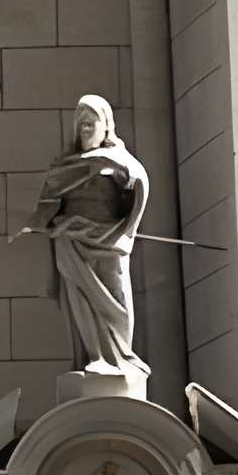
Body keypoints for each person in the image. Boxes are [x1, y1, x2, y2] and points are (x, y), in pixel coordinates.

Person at [28, 96, 149, 377]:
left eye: (90, 124)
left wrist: (118, 172)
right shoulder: (66, 165)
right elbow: (49, 201)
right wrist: (48, 218)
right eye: (80, 125)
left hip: (108, 240)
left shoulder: (120, 160)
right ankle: (94, 355)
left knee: (115, 297)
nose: (85, 130)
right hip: (71, 241)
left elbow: (137, 184)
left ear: (106, 126)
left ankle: (121, 356)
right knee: (80, 299)